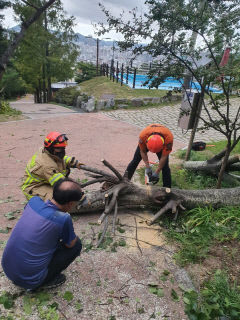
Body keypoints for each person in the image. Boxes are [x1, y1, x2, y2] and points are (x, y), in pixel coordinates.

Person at [1, 178, 84, 290]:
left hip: (7, 268)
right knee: (77, 244)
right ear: (70, 204)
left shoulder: (33, 201)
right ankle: (44, 282)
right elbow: (70, 244)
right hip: (29, 280)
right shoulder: (63, 219)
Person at [22, 131, 83, 201]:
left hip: (46, 182)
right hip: (34, 188)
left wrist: (72, 161)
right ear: (51, 148)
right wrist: (79, 196)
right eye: (59, 148)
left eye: (63, 148)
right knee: (61, 199)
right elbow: (62, 184)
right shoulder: (46, 165)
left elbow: (60, 158)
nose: (62, 150)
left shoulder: (48, 151)